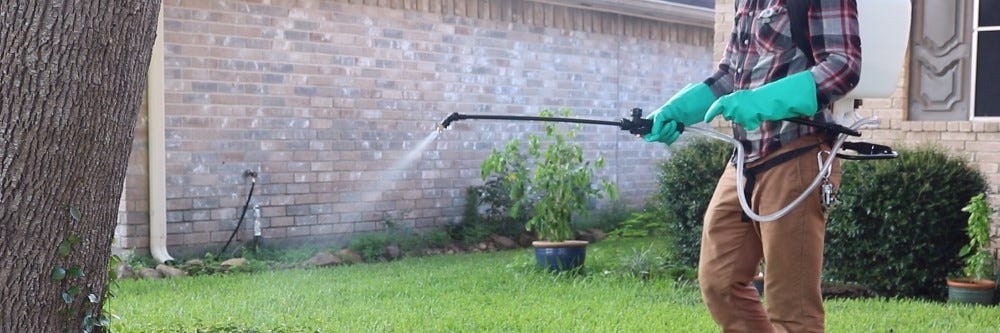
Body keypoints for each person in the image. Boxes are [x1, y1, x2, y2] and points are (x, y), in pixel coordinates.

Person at [644, 0, 861, 332]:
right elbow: (731, 74)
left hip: (796, 154)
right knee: (720, 283)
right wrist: (679, 108)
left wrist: (762, 101)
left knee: (792, 309)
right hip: (744, 159)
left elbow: (843, 66)